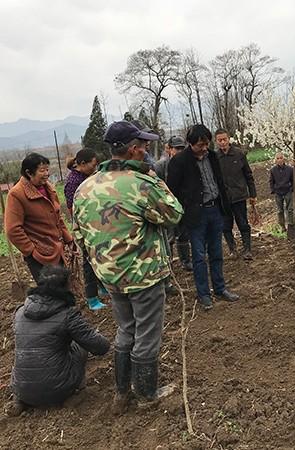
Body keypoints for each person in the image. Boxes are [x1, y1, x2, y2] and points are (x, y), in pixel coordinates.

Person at [73, 121, 183, 409]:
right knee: (147, 334)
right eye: (144, 145)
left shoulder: (84, 188)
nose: (147, 150)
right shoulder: (142, 185)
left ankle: (121, 393)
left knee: (125, 329)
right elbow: (173, 214)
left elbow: (79, 233)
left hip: (109, 277)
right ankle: (147, 394)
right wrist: (156, 179)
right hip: (143, 276)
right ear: (134, 149)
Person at [9, 265, 110, 414]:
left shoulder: (20, 312)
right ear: (65, 287)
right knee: (80, 345)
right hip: (57, 389)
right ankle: (77, 391)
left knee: (28, 349)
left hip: (21, 388)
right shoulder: (68, 315)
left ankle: (20, 400)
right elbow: (101, 347)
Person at [167, 124, 240, 311]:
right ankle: (203, 294)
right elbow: (172, 191)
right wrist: (184, 212)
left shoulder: (213, 157)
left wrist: (225, 207)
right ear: (190, 144)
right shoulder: (179, 162)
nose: (204, 148)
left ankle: (220, 288)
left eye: (207, 144)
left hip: (214, 210)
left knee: (216, 252)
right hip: (195, 215)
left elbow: (220, 183)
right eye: (200, 145)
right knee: (199, 256)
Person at [4, 153, 73, 282]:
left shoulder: (49, 188)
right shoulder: (16, 194)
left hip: (58, 249)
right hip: (40, 255)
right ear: (29, 173)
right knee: (50, 294)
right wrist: (32, 251)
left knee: (63, 287)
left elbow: (58, 217)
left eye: (47, 169)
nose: (47, 173)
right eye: (42, 170)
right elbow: (13, 230)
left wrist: (68, 239)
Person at [63, 148, 107, 311]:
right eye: (93, 165)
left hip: (95, 223)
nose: (95, 169)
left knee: (98, 256)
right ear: (82, 164)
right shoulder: (74, 182)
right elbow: (72, 209)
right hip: (85, 227)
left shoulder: (86, 176)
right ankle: (92, 298)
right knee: (89, 261)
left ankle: (101, 287)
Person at [215, 129, 257, 260]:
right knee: (226, 225)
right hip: (223, 199)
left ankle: (247, 249)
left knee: (243, 223)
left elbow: (248, 175)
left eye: (224, 139)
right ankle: (232, 249)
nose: (222, 142)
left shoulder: (239, 154)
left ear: (229, 139)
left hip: (239, 196)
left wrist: (252, 194)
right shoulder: (215, 158)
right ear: (216, 141)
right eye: (219, 140)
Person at [155, 135, 193, 271]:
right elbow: (156, 187)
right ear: (169, 149)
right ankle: (168, 264)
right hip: (166, 206)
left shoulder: (187, 164)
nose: (180, 151)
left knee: (183, 234)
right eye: (177, 148)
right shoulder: (160, 166)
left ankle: (186, 261)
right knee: (168, 237)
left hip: (182, 204)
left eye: (182, 148)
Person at [269, 152, 294, 230]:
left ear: (284, 159)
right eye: (277, 158)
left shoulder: (290, 169)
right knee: (280, 210)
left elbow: (293, 180)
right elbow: (271, 181)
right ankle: (282, 226)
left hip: (287, 191)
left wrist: (292, 188)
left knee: (290, 209)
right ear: (275, 160)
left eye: (281, 158)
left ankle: (290, 225)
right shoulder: (273, 170)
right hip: (278, 192)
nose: (279, 160)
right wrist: (273, 190)